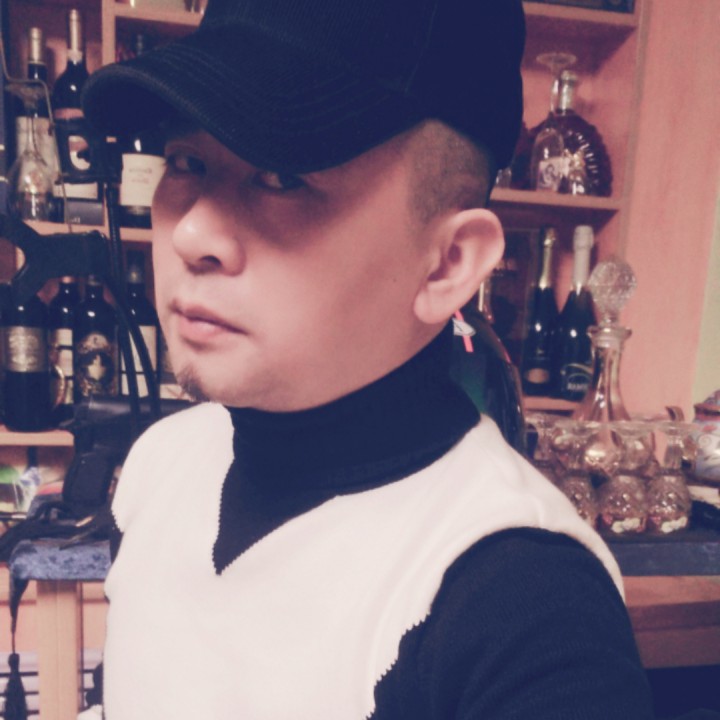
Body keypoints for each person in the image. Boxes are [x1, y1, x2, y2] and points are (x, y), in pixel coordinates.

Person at [82, 0, 655, 717]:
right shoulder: (161, 465)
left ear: (447, 263)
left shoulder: (524, 605)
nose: (191, 232)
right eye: (187, 162)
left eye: (281, 178)